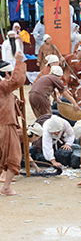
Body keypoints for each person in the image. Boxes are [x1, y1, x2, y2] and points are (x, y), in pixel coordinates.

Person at [0, 55, 26, 195]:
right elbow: (18, 81)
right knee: (13, 156)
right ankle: (6, 188)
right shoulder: (3, 84)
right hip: (5, 125)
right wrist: (19, 62)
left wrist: (16, 102)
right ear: (6, 73)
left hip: (4, 123)